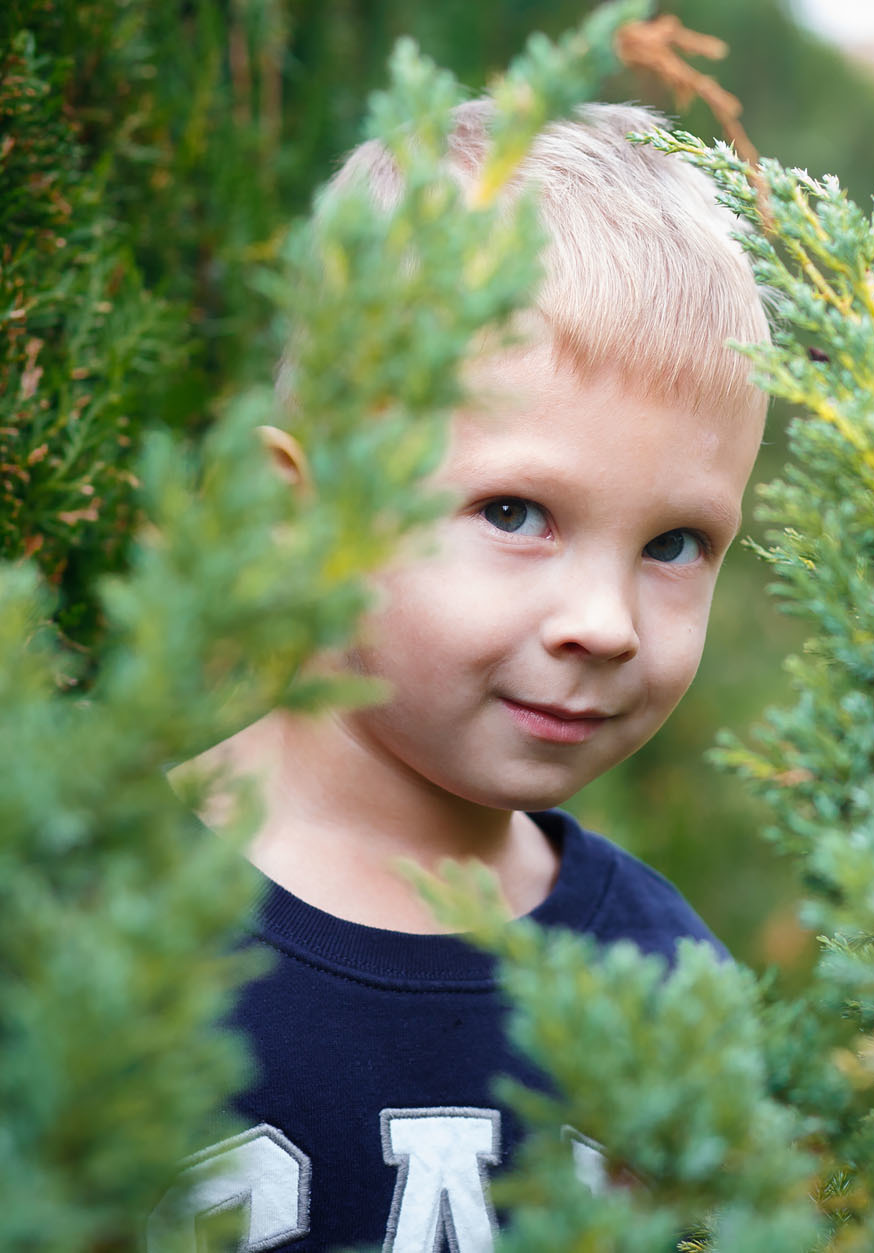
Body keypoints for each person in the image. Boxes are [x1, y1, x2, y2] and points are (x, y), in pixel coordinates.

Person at [147, 100, 770, 1253]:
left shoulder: (670, 986)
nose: (605, 623)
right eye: (515, 512)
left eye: (673, 543)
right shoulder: (87, 920)